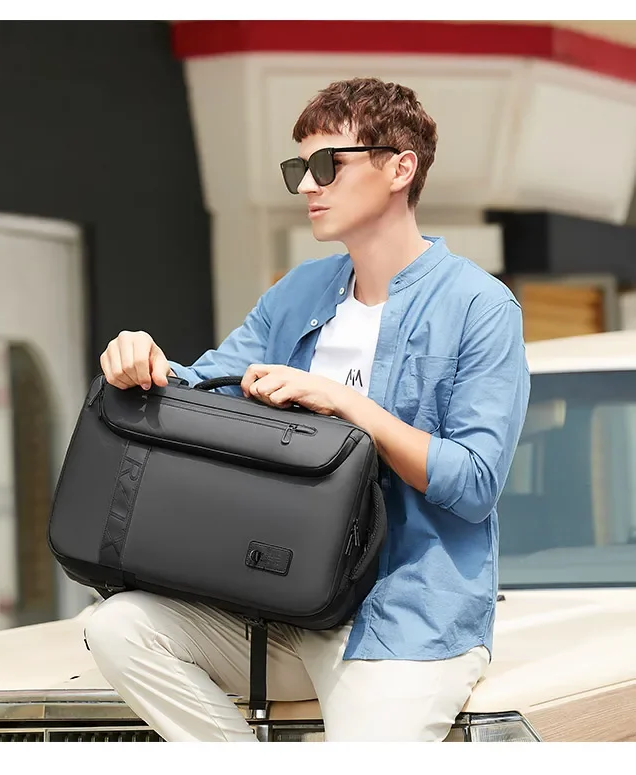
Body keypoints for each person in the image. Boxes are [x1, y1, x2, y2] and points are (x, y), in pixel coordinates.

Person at [84, 77, 530, 742]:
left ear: (400, 168)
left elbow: (474, 483)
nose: (307, 186)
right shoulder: (297, 294)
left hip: (405, 623)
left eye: (328, 164)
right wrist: (143, 361)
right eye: (300, 169)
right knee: (118, 628)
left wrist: (347, 405)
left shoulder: (479, 307)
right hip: (285, 606)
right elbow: (204, 391)